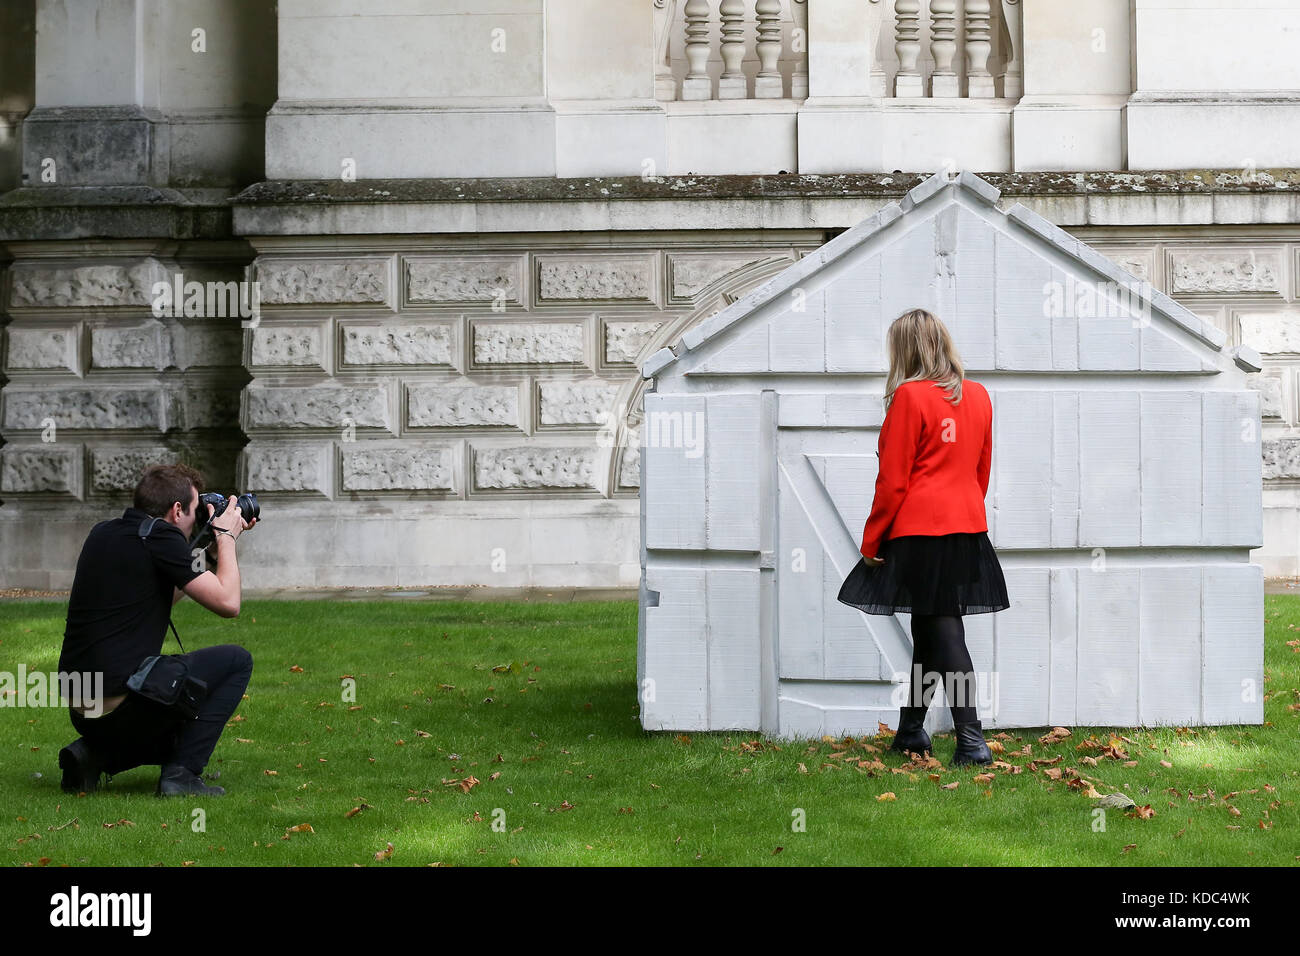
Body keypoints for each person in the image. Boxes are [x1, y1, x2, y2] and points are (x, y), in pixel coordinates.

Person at [836, 308, 1010, 766]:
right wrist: (964, 510)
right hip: (965, 529)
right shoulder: (979, 396)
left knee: (944, 632)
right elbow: (981, 469)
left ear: (905, 349)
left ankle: (971, 740)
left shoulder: (909, 399)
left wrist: (872, 541)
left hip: (920, 531)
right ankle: (911, 731)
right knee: (930, 632)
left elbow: (892, 481)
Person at [56, 463, 256, 796]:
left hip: (82, 710)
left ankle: (92, 755)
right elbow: (228, 603)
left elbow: (164, 592)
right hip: (121, 707)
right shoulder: (161, 537)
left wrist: (207, 544)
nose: (196, 521)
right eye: (194, 512)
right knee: (236, 662)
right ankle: (181, 775)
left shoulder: (104, 532)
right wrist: (227, 539)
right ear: (177, 510)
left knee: (174, 697)